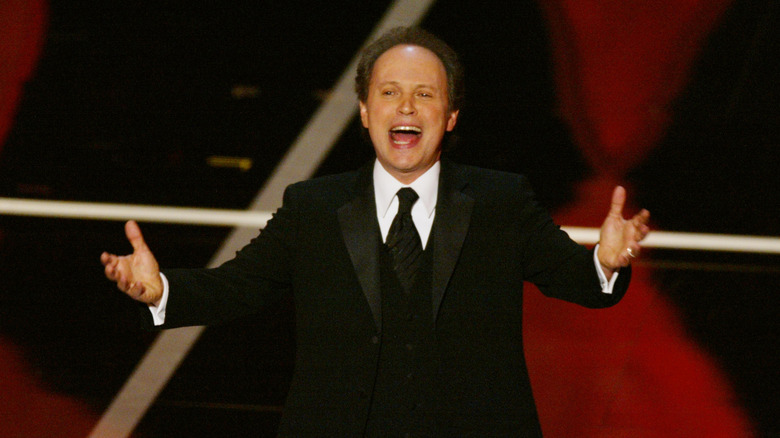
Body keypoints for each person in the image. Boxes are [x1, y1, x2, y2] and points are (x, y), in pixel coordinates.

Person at [102, 27, 650, 437]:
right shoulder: (314, 207)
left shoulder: (500, 201)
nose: (406, 107)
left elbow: (577, 280)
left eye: (425, 94)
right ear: (364, 111)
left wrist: (603, 262)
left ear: (451, 114)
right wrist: (162, 291)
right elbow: (238, 286)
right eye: (389, 93)